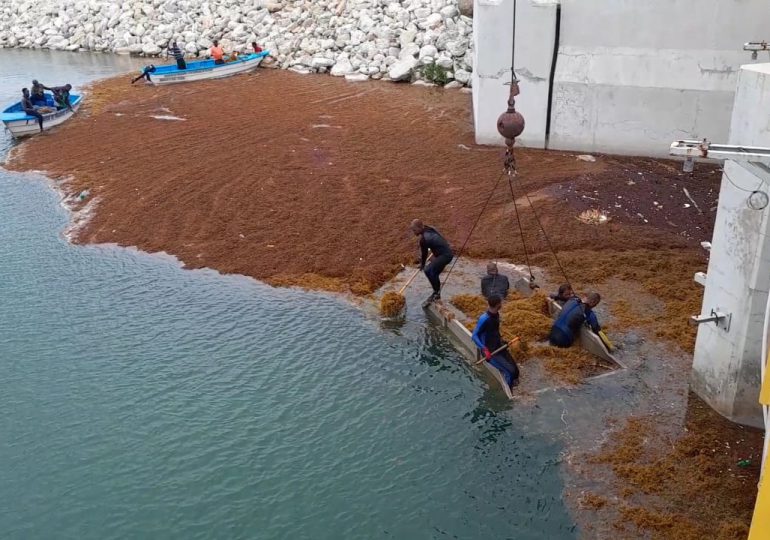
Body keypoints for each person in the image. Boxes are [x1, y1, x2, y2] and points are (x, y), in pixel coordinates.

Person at [472, 294, 520, 390]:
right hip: (490, 352)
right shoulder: (484, 319)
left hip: (498, 346)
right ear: (498, 305)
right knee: (509, 372)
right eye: (501, 303)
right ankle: (507, 393)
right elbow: (474, 336)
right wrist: (484, 349)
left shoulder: (496, 314)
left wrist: (502, 341)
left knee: (516, 372)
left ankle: (512, 385)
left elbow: (494, 332)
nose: (502, 304)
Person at [411, 219, 453, 302]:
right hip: (446, 253)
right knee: (434, 273)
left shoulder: (423, 239)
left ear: (420, 228)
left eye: (414, 230)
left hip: (444, 256)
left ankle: (436, 293)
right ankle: (437, 293)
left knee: (428, 270)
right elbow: (440, 238)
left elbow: (424, 254)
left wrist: (422, 265)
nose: (413, 232)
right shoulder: (430, 228)